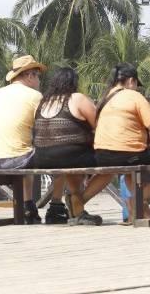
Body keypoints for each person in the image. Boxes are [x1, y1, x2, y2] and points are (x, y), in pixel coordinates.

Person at [0, 54, 62, 224]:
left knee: (25, 147)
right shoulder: (34, 96)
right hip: (19, 160)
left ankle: (28, 206)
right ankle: (57, 207)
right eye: (37, 76)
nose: (39, 81)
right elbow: (50, 128)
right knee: (62, 156)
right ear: (29, 76)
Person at [31, 66, 110, 226]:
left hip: (42, 157)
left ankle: (79, 212)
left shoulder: (43, 102)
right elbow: (100, 125)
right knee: (112, 166)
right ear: (73, 82)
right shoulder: (77, 98)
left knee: (71, 161)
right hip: (69, 155)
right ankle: (78, 202)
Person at [94, 63, 150, 222]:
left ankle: (135, 209)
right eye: (136, 84)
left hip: (101, 154)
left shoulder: (104, 99)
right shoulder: (134, 96)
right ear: (131, 81)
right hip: (128, 153)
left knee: (131, 174)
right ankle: (136, 200)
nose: (136, 88)